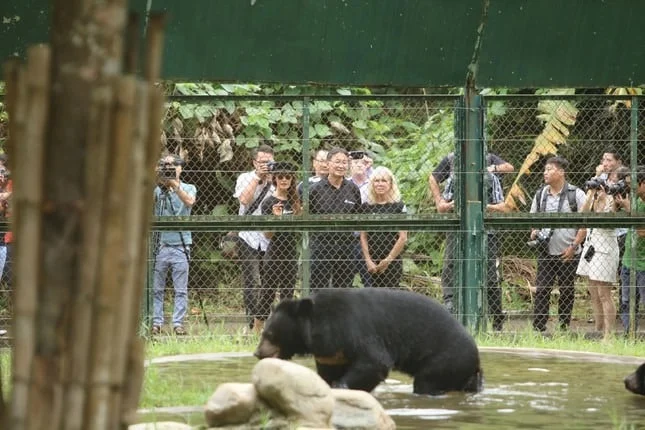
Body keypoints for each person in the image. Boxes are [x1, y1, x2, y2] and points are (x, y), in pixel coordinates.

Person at [428, 152, 514, 329]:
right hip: (457, 231)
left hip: (486, 232)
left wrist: (483, 207)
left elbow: (504, 208)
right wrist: (447, 204)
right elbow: (444, 205)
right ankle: (450, 306)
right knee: (450, 266)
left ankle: (496, 317)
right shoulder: (455, 177)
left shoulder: (491, 178)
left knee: (490, 274)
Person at [529, 156, 586, 333]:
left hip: (568, 252)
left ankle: (563, 327)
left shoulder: (576, 194)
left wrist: (574, 246)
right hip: (546, 251)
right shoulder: (540, 194)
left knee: (567, 291)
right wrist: (535, 231)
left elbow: (585, 223)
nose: (545, 173)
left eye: (549, 169)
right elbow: (532, 219)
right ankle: (538, 328)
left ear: (561, 172)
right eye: (545, 170)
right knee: (542, 289)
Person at [152, 154, 197, 336]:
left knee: (180, 289)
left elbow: (190, 202)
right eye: (166, 166)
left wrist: (173, 185)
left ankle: (178, 323)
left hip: (181, 244)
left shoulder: (189, 187)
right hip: (161, 245)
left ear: (181, 168)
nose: (170, 169)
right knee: (156, 288)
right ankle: (156, 322)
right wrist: (156, 177)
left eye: (173, 165)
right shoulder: (157, 190)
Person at [234, 144, 275, 333]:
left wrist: (272, 179)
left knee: (270, 280)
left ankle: (268, 321)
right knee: (251, 280)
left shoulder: (277, 178)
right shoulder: (245, 178)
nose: (266, 165)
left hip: (269, 236)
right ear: (254, 162)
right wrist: (258, 177)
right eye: (262, 162)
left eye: (269, 162)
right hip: (249, 236)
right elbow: (244, 200)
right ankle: (252, 323)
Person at [309, 147, 361, 291]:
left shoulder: (353, 189)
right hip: (321, 246)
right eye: (337, 161)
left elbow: (357, 217)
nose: (341, 165)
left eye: (344, 162)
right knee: (318, 289)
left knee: (343, 290)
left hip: (346, 247)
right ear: (328, 163)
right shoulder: (315, 190)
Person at [259, 162, 302, 328]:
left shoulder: (295, 201)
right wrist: (276, 219)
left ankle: (284, 329)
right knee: (267, 292)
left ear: (292, 179)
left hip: (290, 252)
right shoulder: (268, 202)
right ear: (275, 179)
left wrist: (298, 211)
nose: (284, 180)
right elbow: (268, 234)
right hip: (274, 252)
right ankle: (256, 330)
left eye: (288, 177)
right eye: (281, 177)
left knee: (287, 294)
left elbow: (299, 226)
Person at [575, 183, 619, 340]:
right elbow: (582, 214)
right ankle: (598, 330)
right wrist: (591, 194)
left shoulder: (612, 199)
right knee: (593, 292)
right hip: (591, 247)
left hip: (605, 248)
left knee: (604, 294)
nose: (597, 191)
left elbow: (611, 214)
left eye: (600, 188)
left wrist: (606, 196)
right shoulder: (592, 199)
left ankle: (609, 335)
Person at [359, 167, 407, 289]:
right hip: (372, 262)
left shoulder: (398, 206)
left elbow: (402, 238)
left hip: (392, 261)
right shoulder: (366, 207)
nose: (380, 184)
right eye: (377, 180)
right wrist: (368, 260)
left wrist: (387, 260)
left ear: (391, 184)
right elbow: (363, 235)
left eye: (384, 181)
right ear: (372, 184)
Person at [617, 166, 645, 333]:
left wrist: (629, 210)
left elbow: (642, 232)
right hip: (628, 260)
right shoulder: (635, 200)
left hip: (643, 263)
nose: (630, 188)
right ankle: (629, 333)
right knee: (626, 301)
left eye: (632, 184)